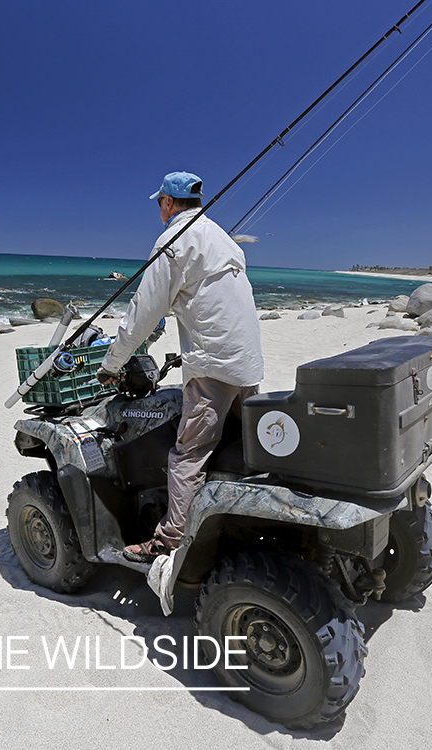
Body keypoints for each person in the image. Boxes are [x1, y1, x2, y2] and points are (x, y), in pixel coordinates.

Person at [96, 171, 264, 563]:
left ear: (168, 203)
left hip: (212, 365)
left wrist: (112, 363)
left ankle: (170, 541)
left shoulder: (171, 240)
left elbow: (142, 311)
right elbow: (200, 296)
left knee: (188, 454)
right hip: (247, 363)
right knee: (246, 445)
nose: (159, 208)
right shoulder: (222, 238)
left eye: (159, 202)